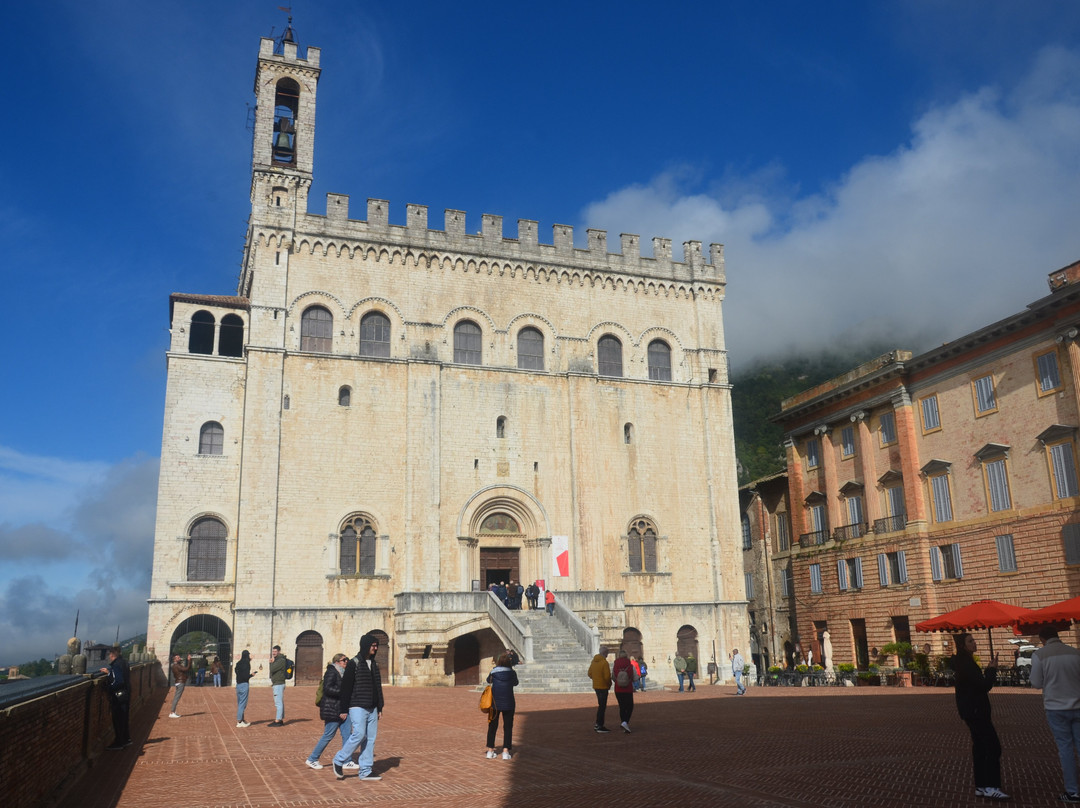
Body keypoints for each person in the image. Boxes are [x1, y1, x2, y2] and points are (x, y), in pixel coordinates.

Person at [951, 632, 1009, 800]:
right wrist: (991, 670)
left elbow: (976, 683)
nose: (974, 643)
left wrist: (988, 670)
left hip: (971, 711)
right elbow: (983, 686)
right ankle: (991, 786)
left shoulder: (964, 662)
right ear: (963, 645)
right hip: (976, 711)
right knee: (993, 747)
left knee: (980, 748)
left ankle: (981, 786)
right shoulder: (966, 664)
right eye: (970, 641)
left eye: (974, 640)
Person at [1030, 625, 1080, 803]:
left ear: (1042, 639)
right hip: (1078, 704)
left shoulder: (1040, 655)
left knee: (1065, 749)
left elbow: (1036, 683)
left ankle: (1072, 791)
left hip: (1055, 707)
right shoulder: (1075, 653)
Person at [333, 633, 385, 782]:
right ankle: (339, 759)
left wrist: (380, 706)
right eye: (373, 645)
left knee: (370, 739)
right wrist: (343, 709)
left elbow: (377, 687)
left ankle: (366, 771)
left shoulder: (374, 664)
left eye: (376, 646)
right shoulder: (354, 663)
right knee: (359, 734)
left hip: (372, 707)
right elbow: (346, 688)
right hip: (357, 705)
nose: (375, 648)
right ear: (365, 645)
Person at [306, 654, 354, 770]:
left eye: (347, 660)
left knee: (347, 734)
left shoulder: (343, 673)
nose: (346, 662)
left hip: (342, 708)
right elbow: (327, 689)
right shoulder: (331, 672)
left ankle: (347, 760)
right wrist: (343, 691)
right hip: (332, 709)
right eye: (344, 660)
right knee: (328, 735)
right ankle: (312, 759)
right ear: (337, 662)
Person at [485, 651, 519, 759]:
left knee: (492, 726)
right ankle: (505, 751)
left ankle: (490, 750)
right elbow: (516, 683)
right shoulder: (512, 673)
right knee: (508, 727)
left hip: (495, 703)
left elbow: (488, 680)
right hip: (509, 703)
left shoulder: (493, 672)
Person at [100, 646, 131, 750]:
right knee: (124, 718)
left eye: (109, 655)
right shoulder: (124, 662)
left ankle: (119, 742)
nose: (109, 657)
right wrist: (109, 673)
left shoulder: (116, 665)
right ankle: (126, 739)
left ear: (112, 655)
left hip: (118, 696)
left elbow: (118, 681)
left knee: (118, 719)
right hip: (126, 693)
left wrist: (109, 688)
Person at [588, 650, 612, 733]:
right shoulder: (604, 663)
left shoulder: (593, 662)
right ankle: (599, 724)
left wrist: (596, 679)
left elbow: (589, 673)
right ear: (605, 653)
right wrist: (609, 684)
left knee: (601, 705)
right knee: (602, 706)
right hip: (603, 686)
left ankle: (599, 724)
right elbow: (607, 676)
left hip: (596, 686)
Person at [612, 650, 635, 733]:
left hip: (618, 689)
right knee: (630, 706)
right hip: (628, 689)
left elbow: (613, 677)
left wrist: (618, 681)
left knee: (622, 706)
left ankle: (624, 722)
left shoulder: (615, 665)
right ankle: (625, 722)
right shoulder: (630, 665)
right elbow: (635, 677)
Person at [234, 650, 259, 727]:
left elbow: (237, 671)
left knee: (240, 703)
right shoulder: (246, 664)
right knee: (242, 704)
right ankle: (239, 721)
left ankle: (242, 720)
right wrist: (251, 675)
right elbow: (245, 676)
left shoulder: (238, 663)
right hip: (244, 684)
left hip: (238, 685)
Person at [268, 645, 288, 726]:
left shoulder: (280, 660)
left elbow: (272, 669)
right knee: (280, 702)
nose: (274, 653)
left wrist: (271, 663)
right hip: (277, 683)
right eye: (273, 651)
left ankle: (278, 720)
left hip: (278, 683)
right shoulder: (278, 659)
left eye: (275, 651)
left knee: (278, 702)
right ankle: (280, 718)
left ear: (279, 652)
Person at [169, 653, 191, 718]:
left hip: (178, 682)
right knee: (176, 697)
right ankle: (172, 712)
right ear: (174, 659)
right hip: (180, 682)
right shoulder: (177, 666)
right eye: (178, 658)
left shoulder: (174, 665)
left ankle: (173, 711)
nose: (180, 658)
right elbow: (186, 669)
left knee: (176, 697)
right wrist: (189, 660)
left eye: (179, 657)